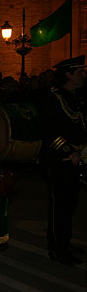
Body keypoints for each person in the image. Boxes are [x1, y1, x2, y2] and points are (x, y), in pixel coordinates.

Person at [37, 55, 86, 266]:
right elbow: (48, 129)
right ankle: (57, 247)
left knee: (71, 203)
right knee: (60, 205)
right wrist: (68, 150)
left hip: (75, 156)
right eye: (80, 72)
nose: (84, 75)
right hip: (59, 158)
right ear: (68, 74)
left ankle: (65, 241)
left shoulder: (75, 96)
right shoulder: (53, 97)